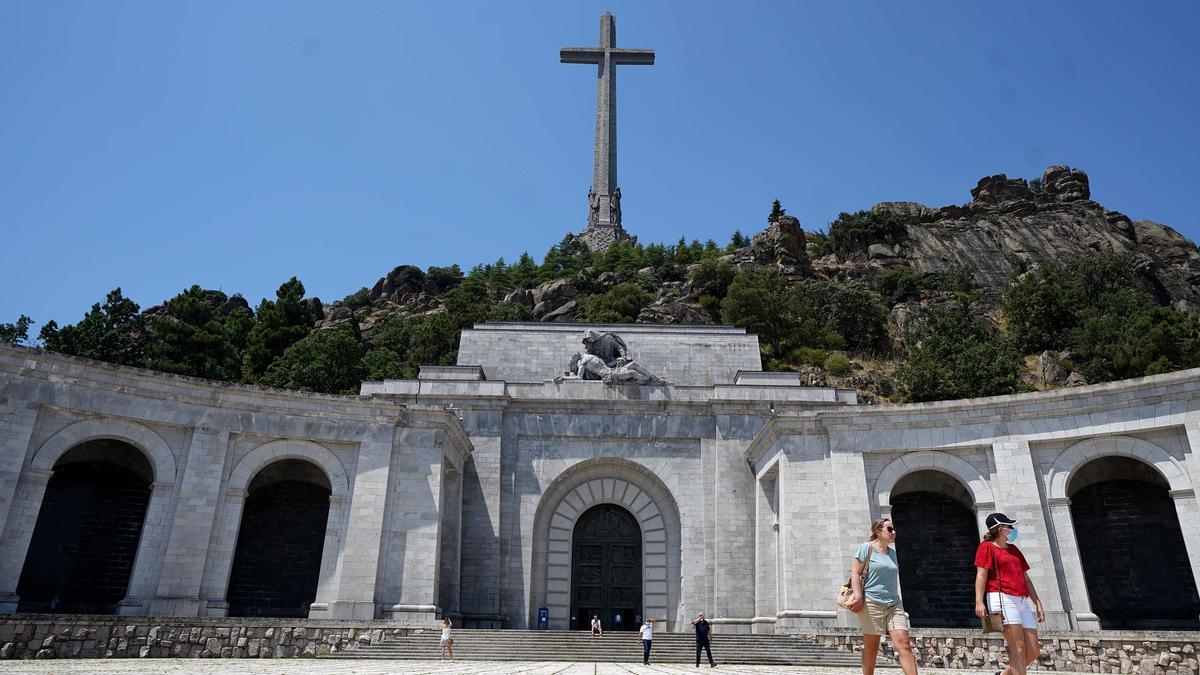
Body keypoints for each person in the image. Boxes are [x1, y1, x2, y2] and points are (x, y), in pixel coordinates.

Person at [845, 518, 918, 675]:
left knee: (904, 644)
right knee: (872, 647)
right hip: (871, 603)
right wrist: (858, 596)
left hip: (894, 604)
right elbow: (855, 573)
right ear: (878, 532)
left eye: (893, 529)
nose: (894, 533)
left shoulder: (893, 553)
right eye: (890, 529)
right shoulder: (866, 548)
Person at [974, 513, 1045, 675]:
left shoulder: (1014, 549)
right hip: (1002, 599)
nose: (1012, 529)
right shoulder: (986, 547)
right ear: (1000, 529)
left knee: (1033, 650)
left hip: (1021, 600)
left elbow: (1025, 578)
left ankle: (1004, 674)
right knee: (1018, 648)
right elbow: (981, 575)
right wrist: (979, 601)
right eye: (1009, 526)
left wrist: (1037, 602)